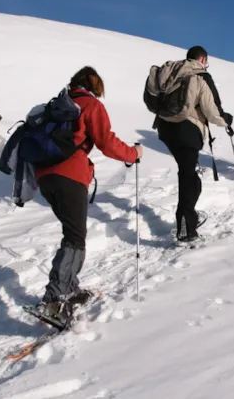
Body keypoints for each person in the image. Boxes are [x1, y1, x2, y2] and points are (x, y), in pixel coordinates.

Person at [30, 66, 142, 323]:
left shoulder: (56, 106)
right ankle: (54, 300)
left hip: (45, 177)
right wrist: (133, 154)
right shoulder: (90, 105)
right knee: (75, 237)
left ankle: (69, 288)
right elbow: (106, 142)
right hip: (70, 176)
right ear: (95, 86)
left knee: (73, 232)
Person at [152, 46, 233, 243]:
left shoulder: (172, 72)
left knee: (187, 173)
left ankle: (187, 218)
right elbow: (212, 110)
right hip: (187, 130)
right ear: (203, 58)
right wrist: (226, 121)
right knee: (188, 176)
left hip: (165, 127)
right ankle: (186, 227)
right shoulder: (201, 75)